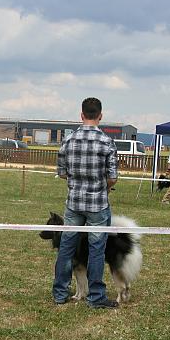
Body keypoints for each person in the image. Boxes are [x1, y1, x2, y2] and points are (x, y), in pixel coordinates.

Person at [52, 97, 119, 309]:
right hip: (98, 204)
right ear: (100, 116)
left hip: (73, 203)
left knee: (66, 247)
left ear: (81, 115)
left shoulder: (68, 141)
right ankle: (96, 297)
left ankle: (60, 293)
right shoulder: (107, 142)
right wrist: (104, 187)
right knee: (97, 249)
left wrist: (76, 180)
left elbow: (62, 173)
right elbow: (113, 177)